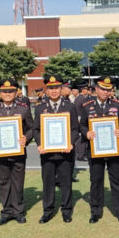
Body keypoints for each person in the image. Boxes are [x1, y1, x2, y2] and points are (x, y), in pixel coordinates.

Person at [79, 76, 119, 224]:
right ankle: (95, 212)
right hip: (95, 150)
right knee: (96, 181)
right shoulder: (87, 105)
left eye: (109, 90)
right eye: (103, 89)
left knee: (117, 181)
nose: (106, 92)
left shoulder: (117, 105)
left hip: (113, 149)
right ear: (96, 89)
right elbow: (82, 125)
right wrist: (86, 133)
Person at [0, 79, 34, 226]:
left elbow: (32, 128)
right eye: (5, 91)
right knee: (4, 182)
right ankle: (6, 211)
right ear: (0, 93)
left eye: (11, 91)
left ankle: (18, 211)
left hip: (18, 153)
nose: (8, 94)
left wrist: (26, 137)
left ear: (16, 92)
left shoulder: (23, 109)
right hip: (0, 154)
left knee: (18, 182)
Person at [33, 75, 79, 224]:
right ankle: (48, 210)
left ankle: (66, 210)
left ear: (61, 89)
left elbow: (74, 128)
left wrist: (71, 142)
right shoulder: (40, 108)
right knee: (48, 182)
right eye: (51, 88)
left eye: (56, 88)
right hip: (47, 153)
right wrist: (40, 144)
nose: (54, 91)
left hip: (65, 152)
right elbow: (36, 129)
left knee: (66, 182)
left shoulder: (70, 107)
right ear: (46, 90)